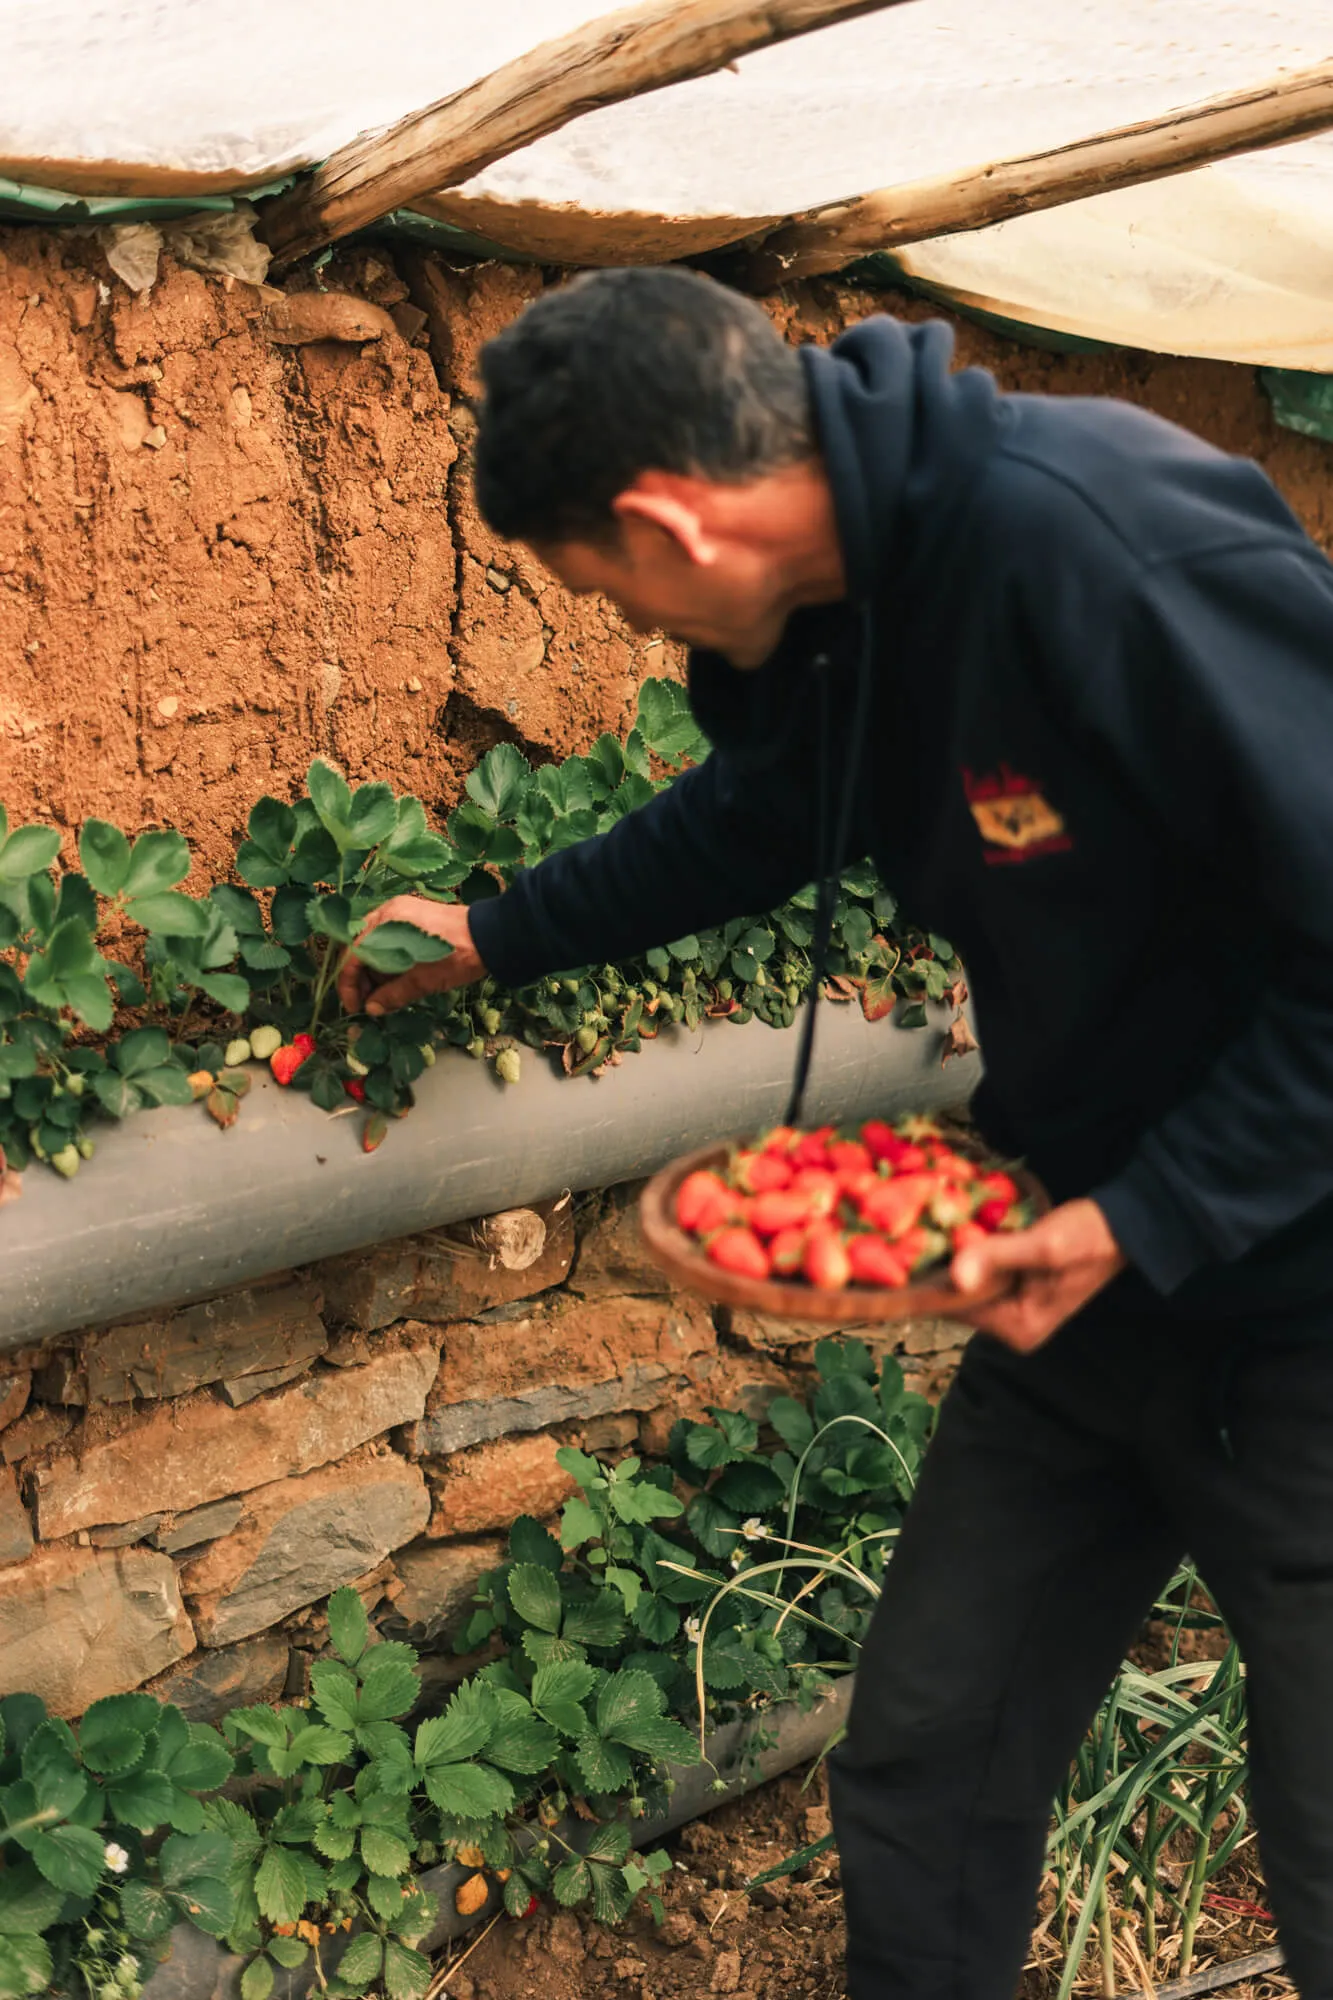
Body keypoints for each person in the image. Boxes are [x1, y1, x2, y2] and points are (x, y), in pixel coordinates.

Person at [338, 268, 1333, 1997]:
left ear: (669, 520)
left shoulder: (1104, 544)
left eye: (609, 591)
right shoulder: (861, 606)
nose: (638, 631)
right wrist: (497, 936)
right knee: (930, 1754)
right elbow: (764, 815)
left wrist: (1150, 1211)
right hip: (1076, 1284)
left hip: (1303, 1298)